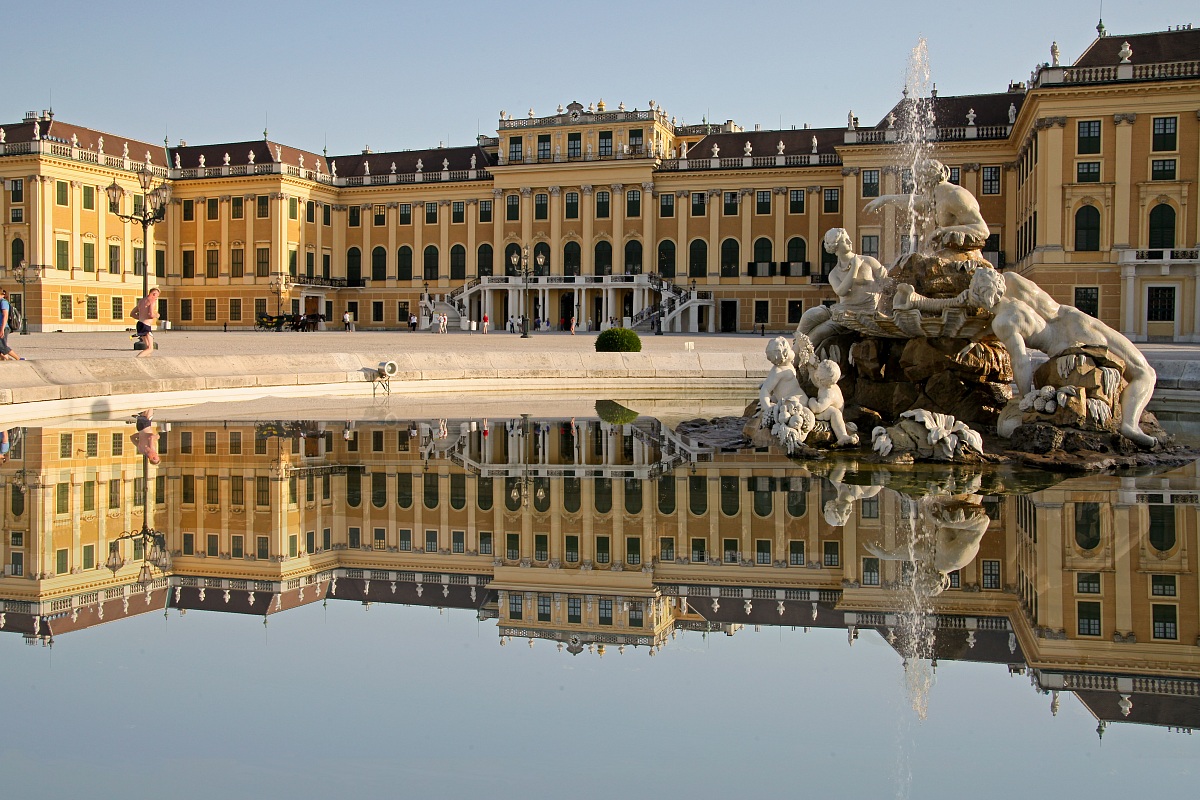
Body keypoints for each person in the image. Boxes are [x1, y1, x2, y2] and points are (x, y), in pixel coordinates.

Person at [863, 158, 990, 258]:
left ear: (925, 182)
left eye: (920, 182)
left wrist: (942, 231)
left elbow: (983, 230)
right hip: (952, 254)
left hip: (967, 258)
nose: (919, 187)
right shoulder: (937, 195)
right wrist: (885, 199)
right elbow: (914, 201)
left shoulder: (955, 196)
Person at [131, 287, 160, 358]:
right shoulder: (152, 300)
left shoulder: (141, 301)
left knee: (147, 347)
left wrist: (140, 317)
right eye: (157, 296)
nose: (156, 298)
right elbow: (151, 314)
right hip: (146, 326)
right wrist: (156, 315)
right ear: (154, 294)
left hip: (140, 324)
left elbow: (132, 314)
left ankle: (147, 362)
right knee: (150, 348)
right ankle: (136, 360)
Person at [0, 289, 25, 361]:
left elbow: (5, 316)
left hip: (3, 327)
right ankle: (6, 359)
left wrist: (2, 329)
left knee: (2, 346)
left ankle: (18, 358)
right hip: (1, 326)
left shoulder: (3, 302)